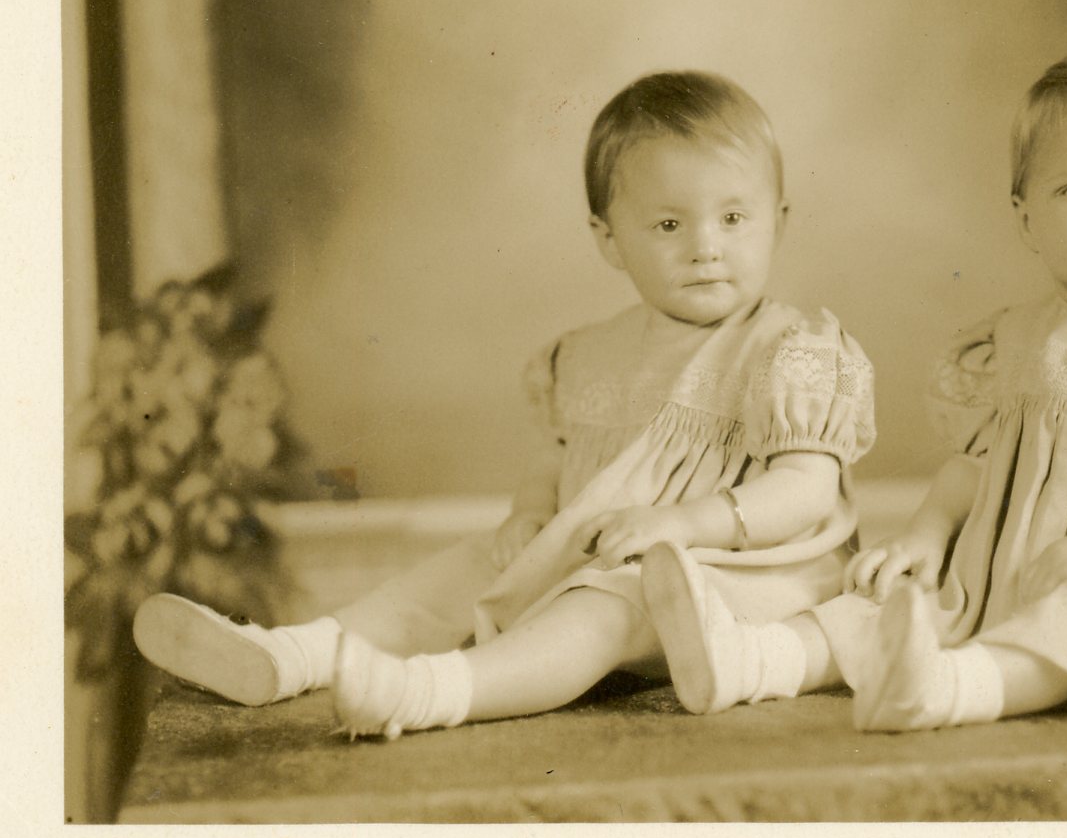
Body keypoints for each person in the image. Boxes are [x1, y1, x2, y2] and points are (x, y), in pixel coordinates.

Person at [133, 70, 875, 738]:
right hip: (602, 550)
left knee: (609, 602)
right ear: (609, 240)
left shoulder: (793, 351)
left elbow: (805, 490)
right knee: (469, 565)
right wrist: (530, 513)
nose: (706, 247)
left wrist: (684, 523)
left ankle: (432, 690)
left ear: (780, 219)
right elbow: (557, 458)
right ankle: (297, 652)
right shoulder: (589, 353)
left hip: (736, 580)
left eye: (734, 219)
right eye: (670, 225)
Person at [642, 48, 1067, 732]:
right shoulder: (1013, 339)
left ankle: (954, 688)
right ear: (1026, 218)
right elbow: (978, 466)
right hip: (1011, 568)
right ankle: (754, 659)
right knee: (897, 594)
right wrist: (926, 532)